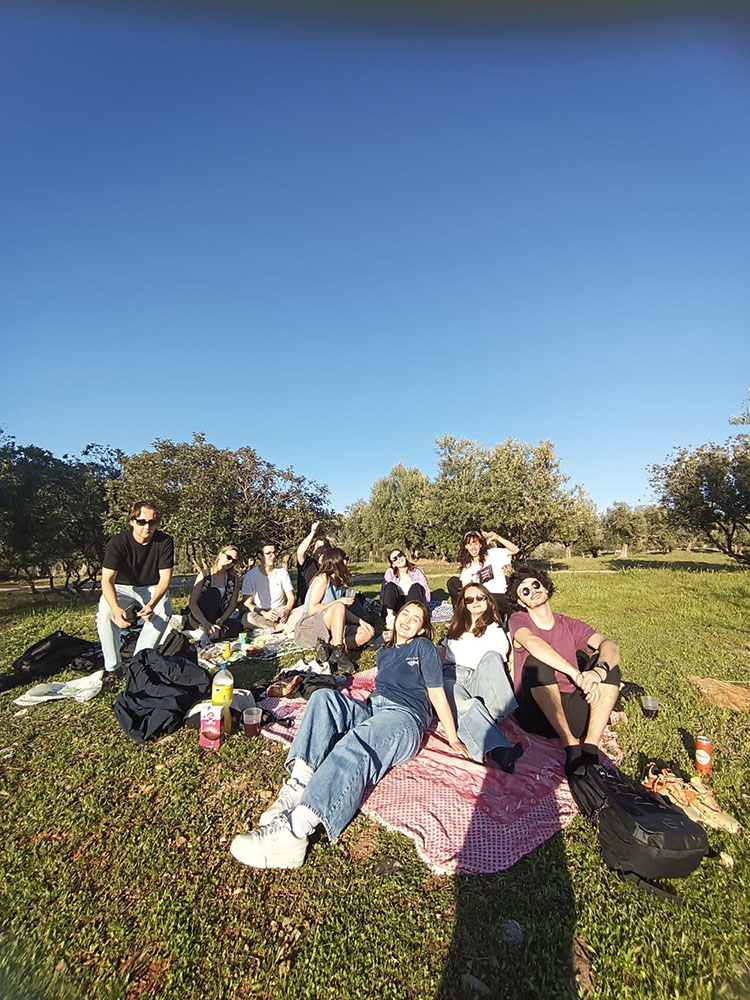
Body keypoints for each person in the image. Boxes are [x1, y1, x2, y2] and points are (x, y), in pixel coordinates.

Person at [230, 601, 470, 869]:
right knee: (323, 699)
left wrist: (452, 737)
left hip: (404, 717)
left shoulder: (423, 647)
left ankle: (295, 831)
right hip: (374, 710)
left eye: (416, 619)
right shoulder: (385, 652)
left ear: (422, 628)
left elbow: (436, 693)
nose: (407, 620)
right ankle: (299, 785)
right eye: (405, 614)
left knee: (358, 742)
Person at [507, 566, 622, 777]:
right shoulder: (518, 620)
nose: (533, 591)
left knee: (608, 666)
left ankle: (590, 749)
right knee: (536, 664)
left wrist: (597, 673)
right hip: (537, 714)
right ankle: (571, 746)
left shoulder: (567, 623)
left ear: (545, 587)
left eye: (535, 584)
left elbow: (610, 646)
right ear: (521, 602)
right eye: (525, 591)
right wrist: (576, 673)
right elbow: (532, 643)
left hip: (572, 708)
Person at [440, 583, 523, 772]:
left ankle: (492, 715)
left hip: (479, 678)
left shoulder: (494, 628)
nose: (475, 602)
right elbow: (444, 654)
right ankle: (499, 751)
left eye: (480, 597)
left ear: (488, 600)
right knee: (462, 703)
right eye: (469, 599)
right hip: (453, 674)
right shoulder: (455, 627)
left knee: (492, 657)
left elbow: (496, 661)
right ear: (464, 604)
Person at [96, 500, 174, 683]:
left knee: (163, 612)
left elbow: (165, 578)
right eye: (141, 522)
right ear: (132, 521)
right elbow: (107, 580)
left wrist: (151, 604)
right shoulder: (118, 542)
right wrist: (116, 610)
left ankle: (139, 662)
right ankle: (112, 667)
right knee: (105, 614)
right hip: (121, 586)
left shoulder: (164, 541)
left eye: (152, 522)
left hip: (151, 586)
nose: (147, 527)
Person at [294, 547, 375, 669]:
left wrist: (360, 621)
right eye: (345, 558)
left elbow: (341, 611)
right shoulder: (322, 579)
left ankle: (331, 649)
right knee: (338, 606)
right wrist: (338, 602)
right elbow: (312, 609)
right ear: (336, 561)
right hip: (310, 626)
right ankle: (339, 652)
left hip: (331, 627)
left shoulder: (338, 583)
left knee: (367, 632)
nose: (347, 562)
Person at [447, 530, 519, 619]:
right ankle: (460, 616)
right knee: (452, 582)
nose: (473, 547)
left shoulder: (492, 554)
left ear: (480, 545)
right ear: (466, 547)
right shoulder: (468, 567)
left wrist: (497, 537)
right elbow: (465, 588)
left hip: (499, 595)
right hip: (482, 599)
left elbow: (515, 550)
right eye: (470, 544)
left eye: (476, 544)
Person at [187, 545, 240, 640]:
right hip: (200, 617)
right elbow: (192, 603)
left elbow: (232, 604)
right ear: (220, 555)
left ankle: (213, 632)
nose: (230, 562)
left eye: (234, 561)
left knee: (238, 626)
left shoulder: (232, 579)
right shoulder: (204, 575)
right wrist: (206, 623)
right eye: (229, 557)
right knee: (214, 593)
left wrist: (222, 619)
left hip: (218, 617)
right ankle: (204, 630)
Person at [241, 542, 295, 632]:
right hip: (261, 613)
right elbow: (247, 603)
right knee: (247, 618)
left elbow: (291, 597)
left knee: (302, 610)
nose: (272, 556)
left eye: (274, 553)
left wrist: (287, 611)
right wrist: (264, 613)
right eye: (268, 553)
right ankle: (277, 626)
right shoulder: (250, 575)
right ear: (260, 555)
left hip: (280, 610)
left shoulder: (282, 572)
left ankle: (274, 626)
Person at [380, 548, 431, 635]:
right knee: (390, 585)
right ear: (393, 564)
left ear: (404, 556)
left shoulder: (417, 571)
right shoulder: (390, 573)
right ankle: (390, 619)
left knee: (416, 586)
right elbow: (384, 592)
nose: (399, 559)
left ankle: (414, 616)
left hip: (411, 602)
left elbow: (425, 590)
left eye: (400, 555)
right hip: (395, 604)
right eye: (395, 559)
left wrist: (425, 606)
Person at [295, 521, 331, 607]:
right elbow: (300, 552)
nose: (320, 550)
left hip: (324, 605)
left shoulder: (330, 567)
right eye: (317, 547)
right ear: (313, 550)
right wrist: (312, 533)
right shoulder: (308, 563)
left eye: (323, 547)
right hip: (304, 606)